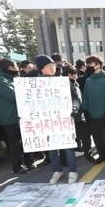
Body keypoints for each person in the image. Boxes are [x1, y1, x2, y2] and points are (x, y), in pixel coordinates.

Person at [35, 55, 80, 184]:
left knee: (68, 147)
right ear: (41, 69)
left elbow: (75, 98)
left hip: (64, 120)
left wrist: (74, 108)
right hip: (46, 121)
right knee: (51, 147)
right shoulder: (33, 85)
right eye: (49, 66)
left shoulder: (63, 82)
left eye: (53, 65)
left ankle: (72, 171)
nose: (52, 68)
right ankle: (57, 170)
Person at [0, 59, 34, 174]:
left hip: (22, 115)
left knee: (26, 140)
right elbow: (13, 96)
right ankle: (18, 166)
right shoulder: (0, 80)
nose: (17, 68)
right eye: (15, 66)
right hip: (10, 117)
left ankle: (29, 161)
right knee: (15, 143)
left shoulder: (15, 79)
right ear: (9, 67)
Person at [82, 55, 105, 167]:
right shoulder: (88, 80)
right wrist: (85, 110)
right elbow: (85, 96)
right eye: (88, 64)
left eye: (92, 63)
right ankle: (101, 156)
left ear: (99, 65)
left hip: (104, 114)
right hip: (92, 114)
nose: (90, 66)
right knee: (96, 137)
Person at [63, 64, 95, 163]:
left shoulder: (75, 84)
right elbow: (75, 99)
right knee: (83, 137)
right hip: (73, 116)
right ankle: (86, 155)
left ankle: (86, 154)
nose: (76, 75)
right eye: (74, 73)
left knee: (84, 137)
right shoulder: (66, 85)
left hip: (78, 115)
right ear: (69, 74)